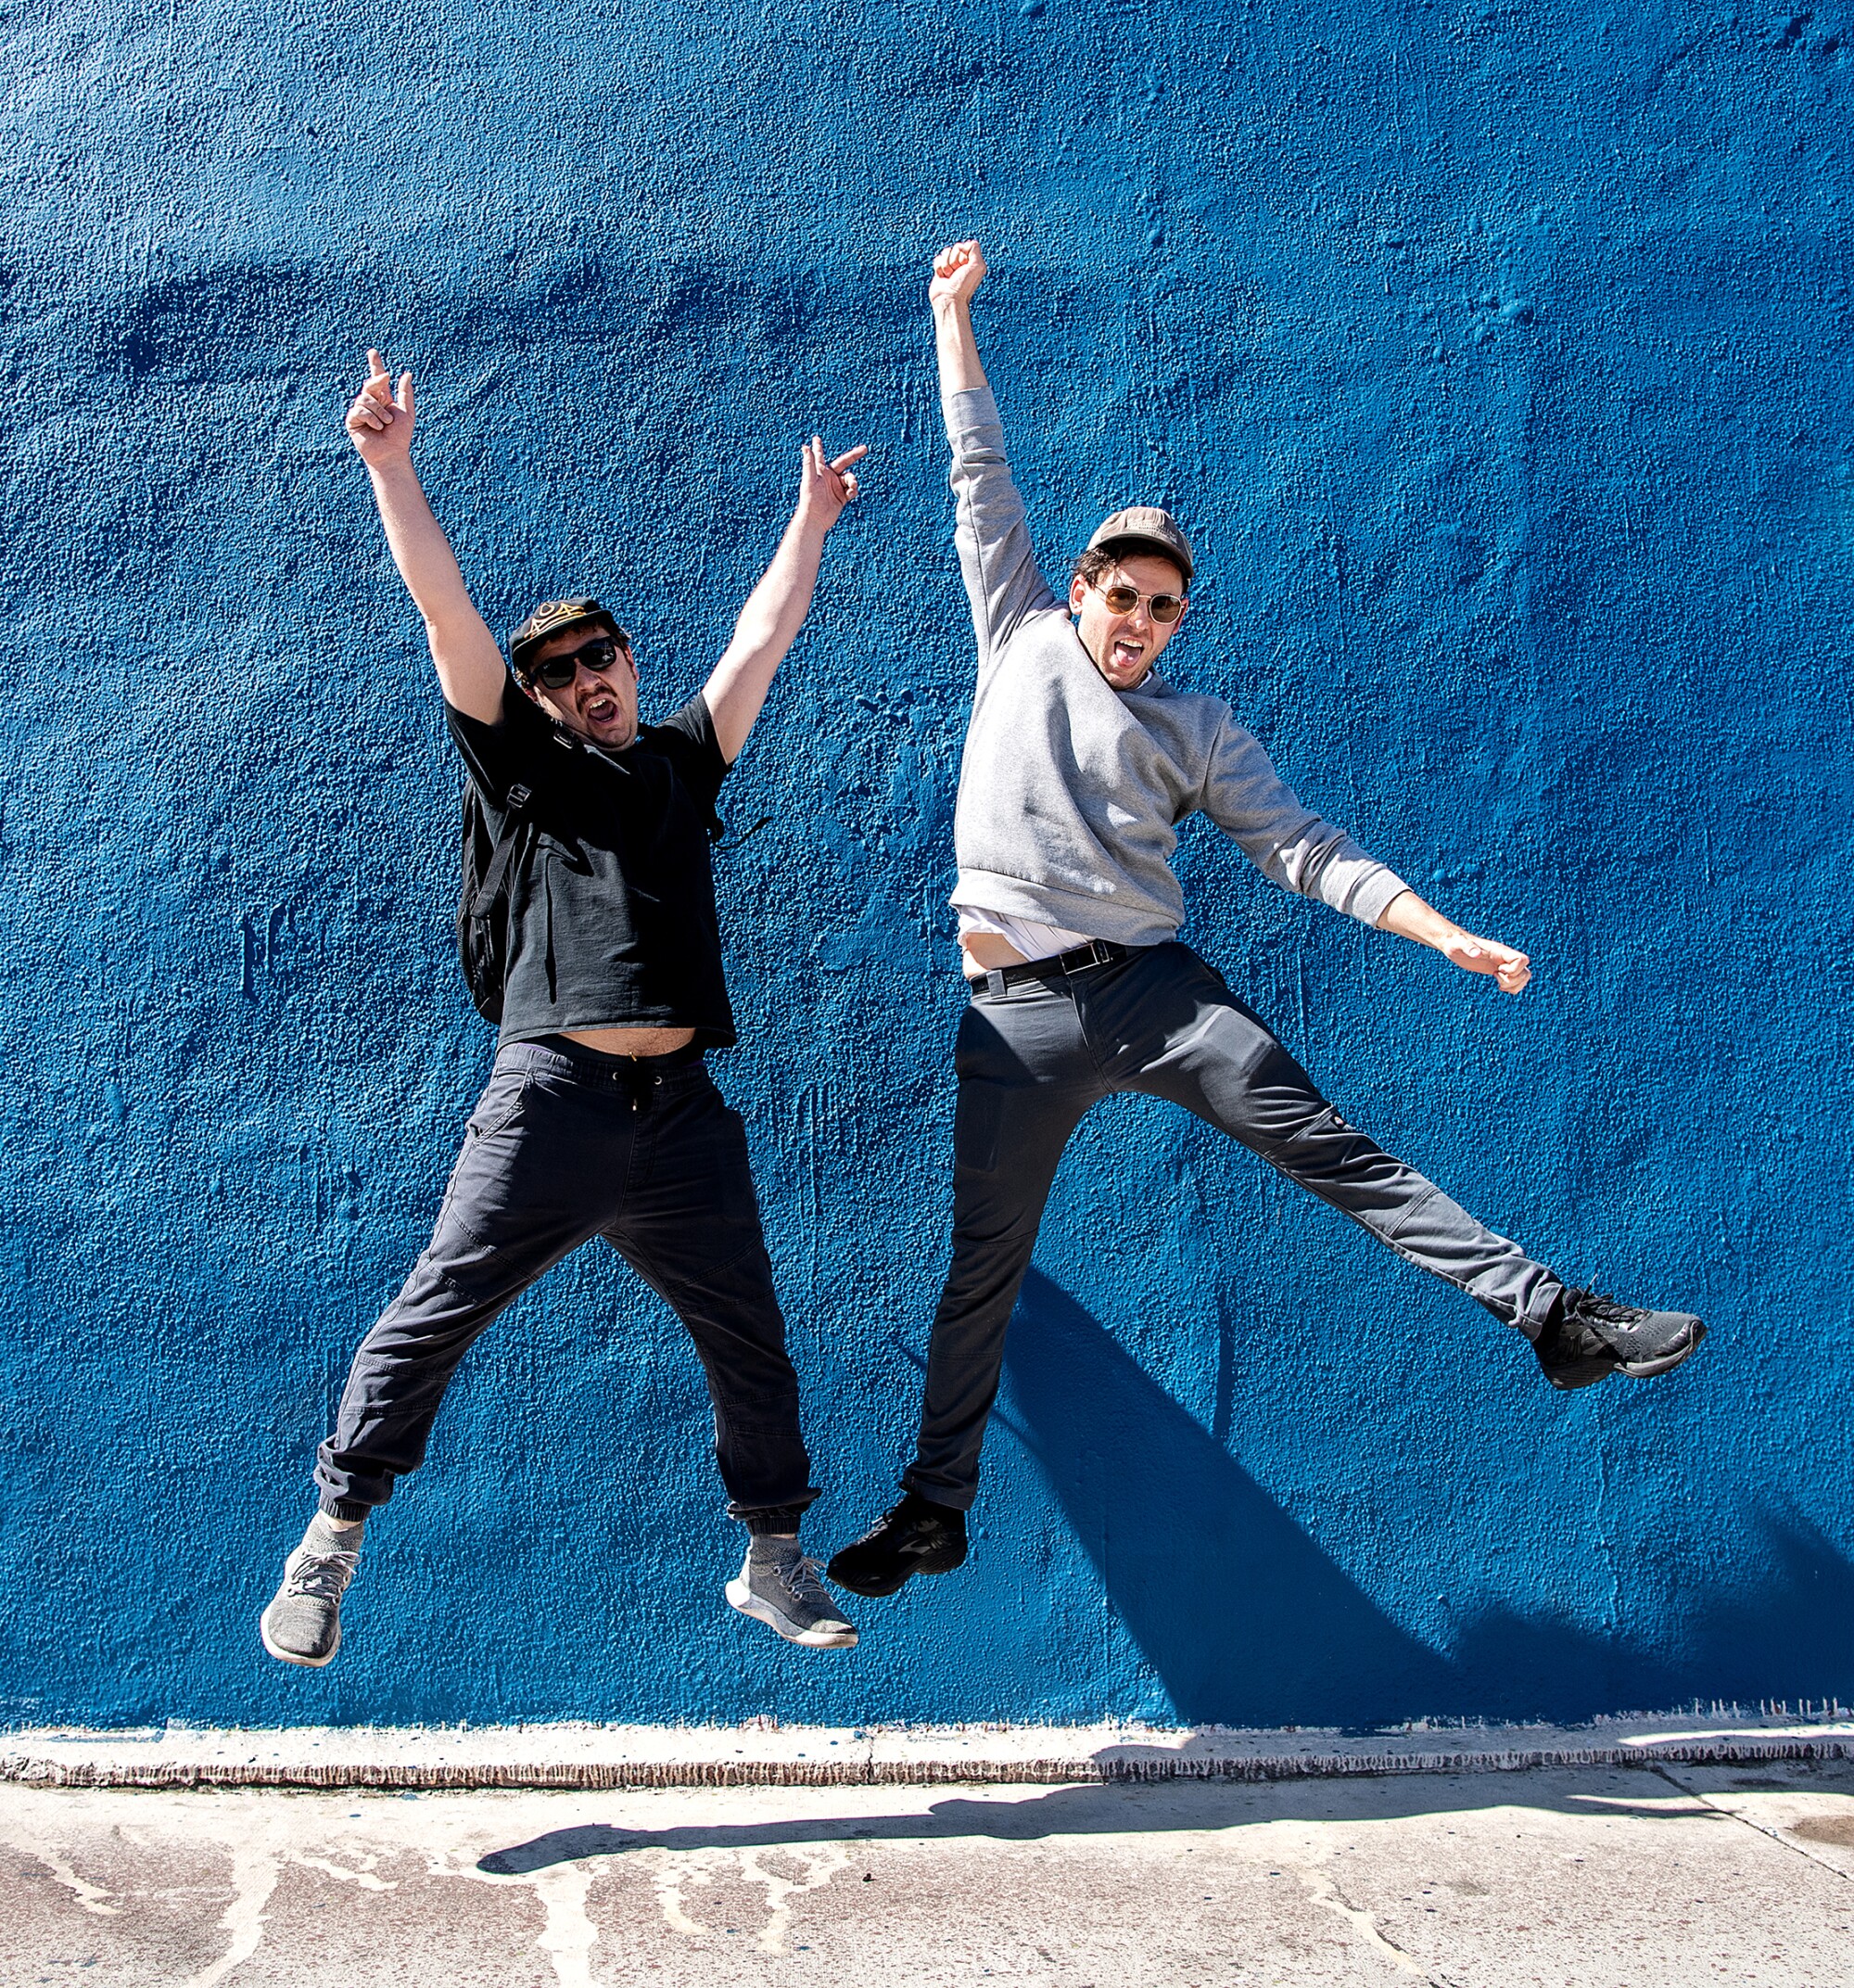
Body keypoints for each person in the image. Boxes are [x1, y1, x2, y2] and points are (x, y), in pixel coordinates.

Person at [828, 241, 1707, 1601]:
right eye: (1119, 591)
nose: (1136, 617)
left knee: (1340, 1153)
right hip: (1012, 1020)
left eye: (1162, 605)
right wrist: (950, 319)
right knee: (980, 1276)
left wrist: (1439, 931)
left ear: (1179, 623)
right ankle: (935, 1507)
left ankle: (1552, 1315)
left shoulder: (1197, 728)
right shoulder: (1016, 632)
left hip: (1156, 998)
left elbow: (1303, 848)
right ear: (1079, 588)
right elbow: (977, 477)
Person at [261, 350, 868, 1664]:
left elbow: (763, 639)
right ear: (533, 699)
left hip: (683, 1119)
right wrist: (390, 468)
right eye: (560, 671)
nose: (588, 676)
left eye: (602, 655)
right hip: (552, 1102)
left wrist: (806, 525)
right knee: (434, 1312)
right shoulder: (521, 771)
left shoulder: (681, 764)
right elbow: (446, 618)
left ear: (628, 660)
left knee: (749, 1338)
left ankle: (773, 1559)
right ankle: (332, 1536)